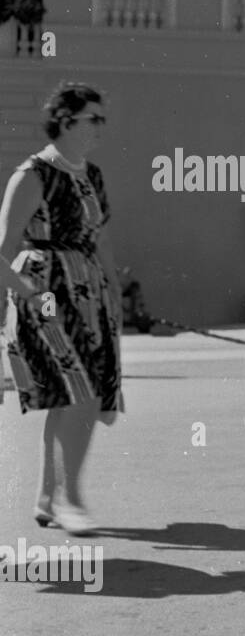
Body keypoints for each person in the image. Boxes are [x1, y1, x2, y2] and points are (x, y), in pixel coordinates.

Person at [0, 82, 122, 535]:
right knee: (80, 394)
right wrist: (26, 295)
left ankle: (49, 498)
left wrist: (113, 289)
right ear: (66, 121)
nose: (100, 129)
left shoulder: (93, 175)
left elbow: (100, 238)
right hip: (44, 293)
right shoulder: (31, 175)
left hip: (87, 294)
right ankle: (71, 499)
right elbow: (2, 248)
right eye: (94, 119)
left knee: (71, 398)